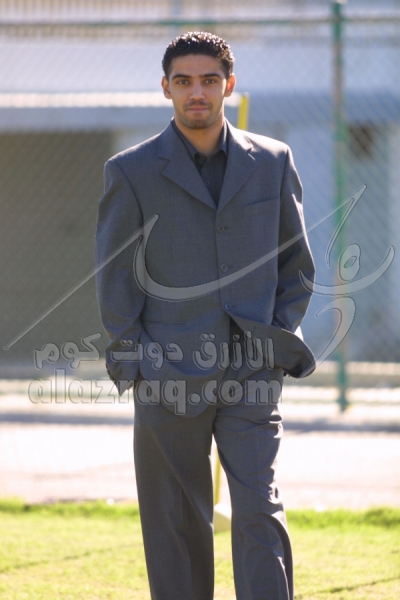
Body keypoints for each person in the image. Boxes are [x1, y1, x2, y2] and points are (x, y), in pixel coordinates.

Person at [95, 31, 315, 600]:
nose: (198, 92)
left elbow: (297, 265)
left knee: (259, 508)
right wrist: (137, 366)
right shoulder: (131, 171)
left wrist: (276, 341)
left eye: (210, 80)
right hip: (165, 374)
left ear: (229, 85)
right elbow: (116, 281)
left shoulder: (272, 161)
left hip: (252, 371)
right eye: (185, 81)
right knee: (175, 520)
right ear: (165, 87)